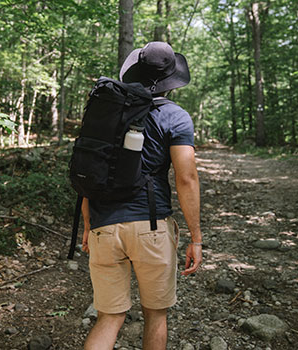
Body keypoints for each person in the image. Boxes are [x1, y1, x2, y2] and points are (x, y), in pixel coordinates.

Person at [80, 41, 202, 350]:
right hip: (151, 227)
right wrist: (196, 238)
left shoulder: (106, 112)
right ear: (170, 80)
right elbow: (186, 178)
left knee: (108, 316)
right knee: (156, 314)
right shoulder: (175, 116)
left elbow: (91, 169)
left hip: (103, 224)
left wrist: (87, 225)